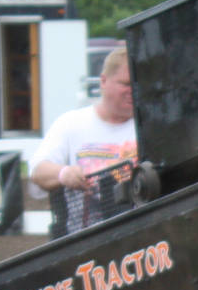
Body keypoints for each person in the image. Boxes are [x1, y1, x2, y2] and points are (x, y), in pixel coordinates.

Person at [31, 44, 138, 235]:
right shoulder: (71, 123)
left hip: (142, 239)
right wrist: (64, 174)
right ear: (103, 81)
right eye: (126, 84)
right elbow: (38, 171)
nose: (132, 90)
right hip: (85, 242)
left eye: (137, 83)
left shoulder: (148, 126)